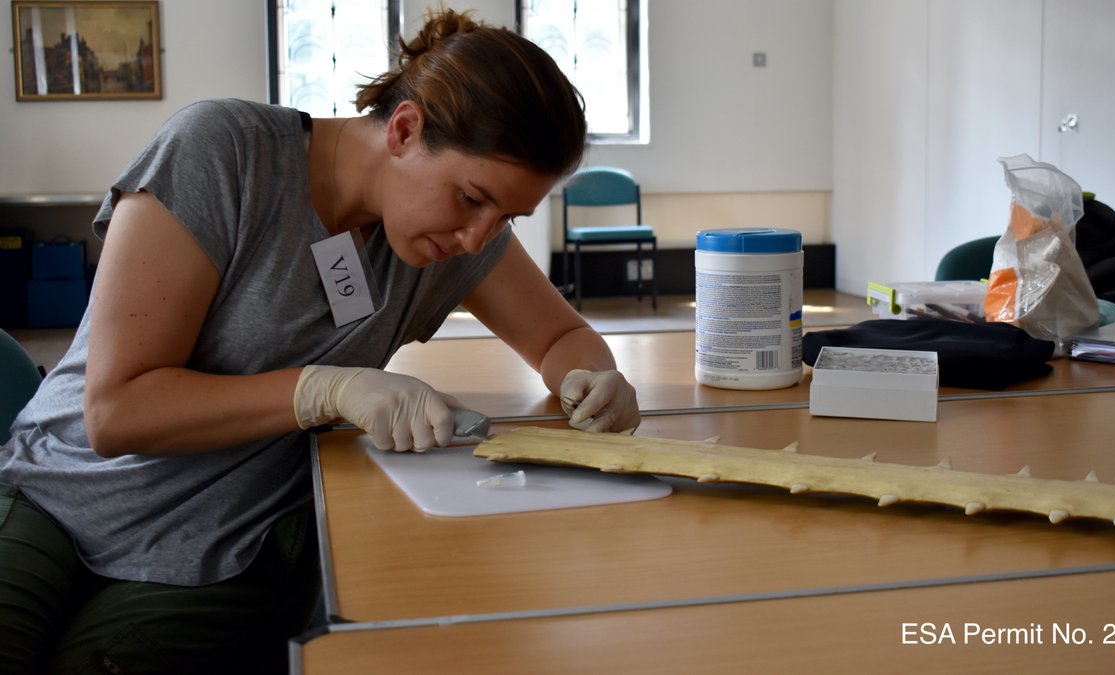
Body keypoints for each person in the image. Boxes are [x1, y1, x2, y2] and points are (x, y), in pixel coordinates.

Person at [0, 8, 639, 673]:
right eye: (473, 198)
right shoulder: (223, 153)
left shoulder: (448, 237)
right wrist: (322, 389)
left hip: (219, 545)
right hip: (57, 495)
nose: (480, 237)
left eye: (506, 215)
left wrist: (590, 376)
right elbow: (113, 413)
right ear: (404, 128)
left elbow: (563, 334)